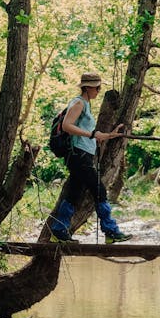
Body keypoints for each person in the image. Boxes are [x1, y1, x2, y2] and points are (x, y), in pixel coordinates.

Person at [49, 72, 132, 244]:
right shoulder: (79, 103)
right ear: (87, 88)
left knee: (73, 193)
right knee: (99, 190)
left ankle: (58, 231)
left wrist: (110, 135)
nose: (99, 90)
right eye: (96, 87)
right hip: (78, 155)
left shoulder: (85, 104)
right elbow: (66, 126)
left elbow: (91, 134)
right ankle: (111, 231)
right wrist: (93, 134)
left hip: (81, 155)